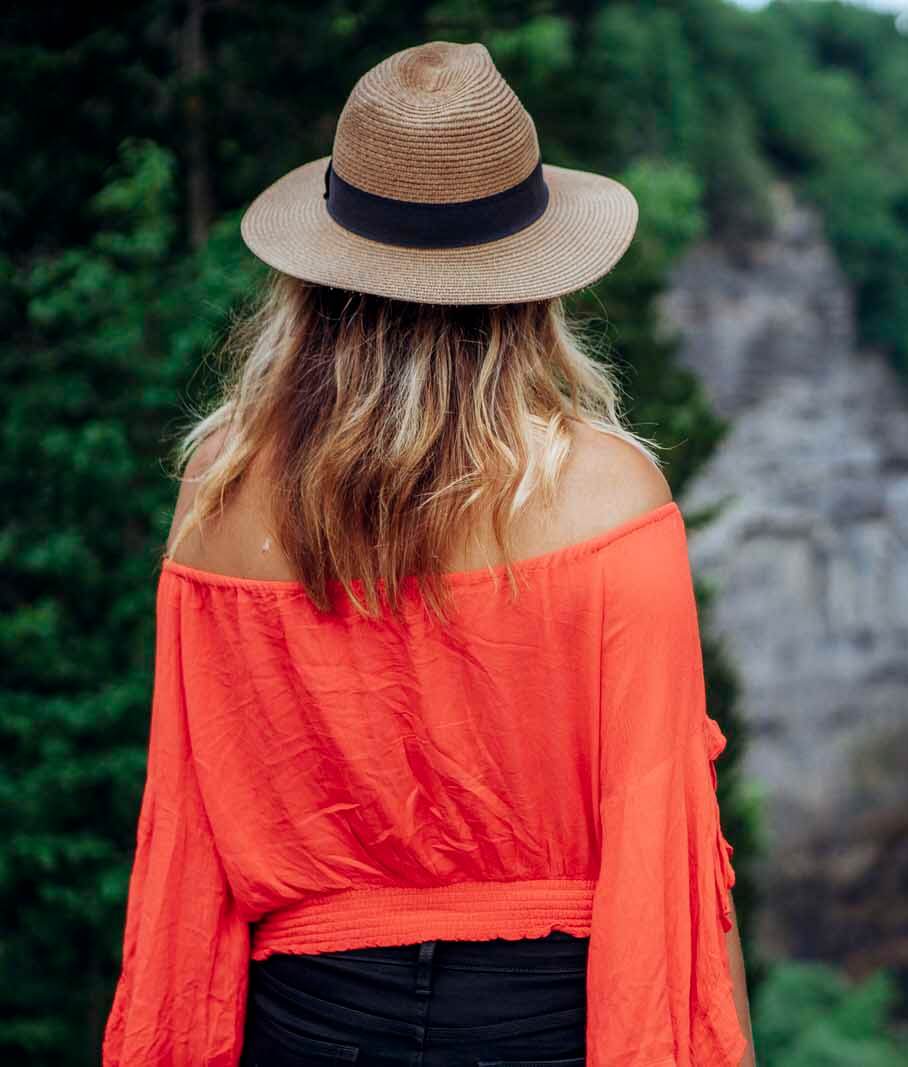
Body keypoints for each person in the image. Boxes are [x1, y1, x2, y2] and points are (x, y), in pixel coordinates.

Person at [101, 40, 755, 1067]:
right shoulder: (607, 495)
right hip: (547, 1022)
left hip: (301, 1023)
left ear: (319, 270)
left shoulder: (219, 491)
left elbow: (185, 830)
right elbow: (657, 829)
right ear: (531, 283)